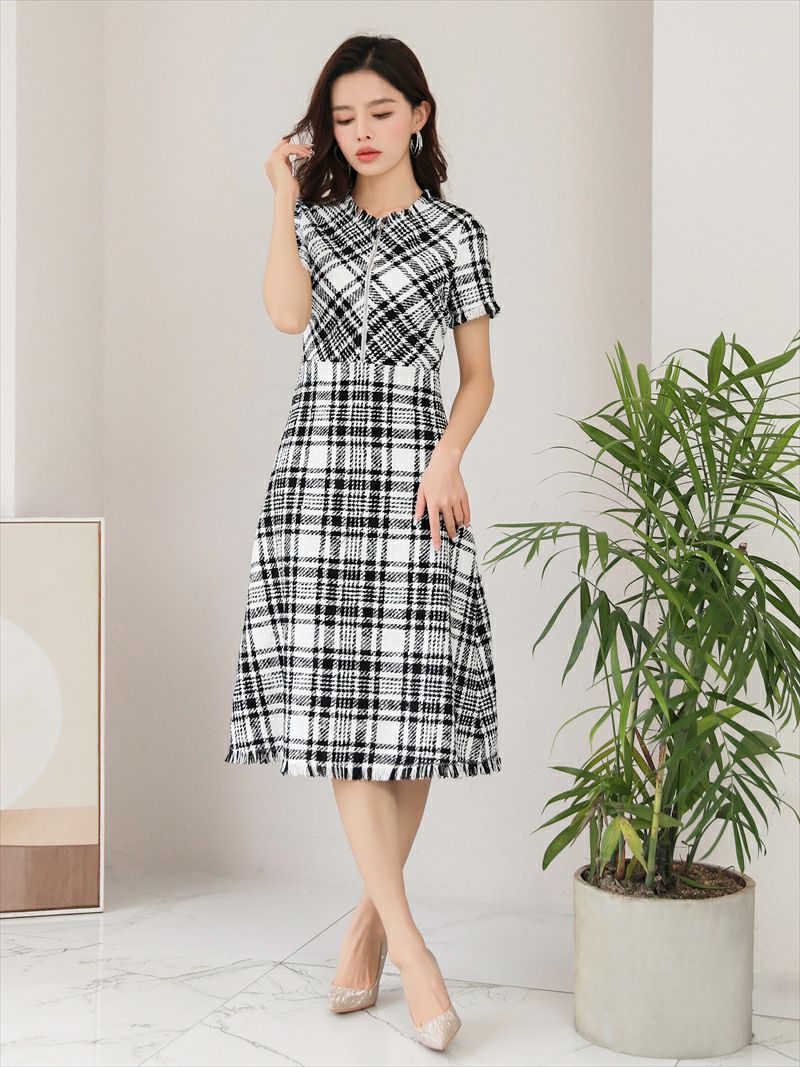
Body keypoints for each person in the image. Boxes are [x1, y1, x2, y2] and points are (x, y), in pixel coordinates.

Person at [225, 34, 501, 1053]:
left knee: (409, 708)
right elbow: (285, 315)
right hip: (317, 477)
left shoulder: (456, 232)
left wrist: (447, 456)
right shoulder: (315, 220)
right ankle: (413, 949)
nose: (362, 133)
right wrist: (280, 197)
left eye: (380, 112)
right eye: (343, 118)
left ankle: (365, 926)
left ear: (419, 115)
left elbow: (477, 376)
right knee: (350, 718)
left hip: (418, 479)